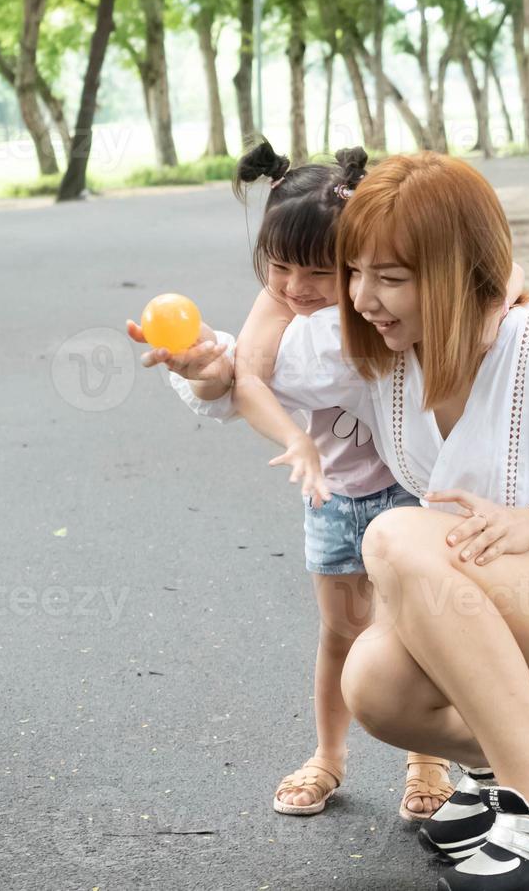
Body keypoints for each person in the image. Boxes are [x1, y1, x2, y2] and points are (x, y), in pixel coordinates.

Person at [169, 151, 529, 891]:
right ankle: (494, 782)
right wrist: (202, 367)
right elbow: (249, 369)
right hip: (478, 605)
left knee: (394, 533)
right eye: (355, 273)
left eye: (391, 278)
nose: (364, 298)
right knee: (372, 683)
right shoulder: (374, 351)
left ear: (456, 271)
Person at [129, 140, 460, 821]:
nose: (295, 286)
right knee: (341, 631)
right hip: (335, 497)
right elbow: (242, 376)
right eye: (278, 266)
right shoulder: (278, 306)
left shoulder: (383, 305)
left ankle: (427, 761)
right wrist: (288, 434)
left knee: (416, 630)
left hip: (414, 493)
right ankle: (328, 757)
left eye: (317, 271)